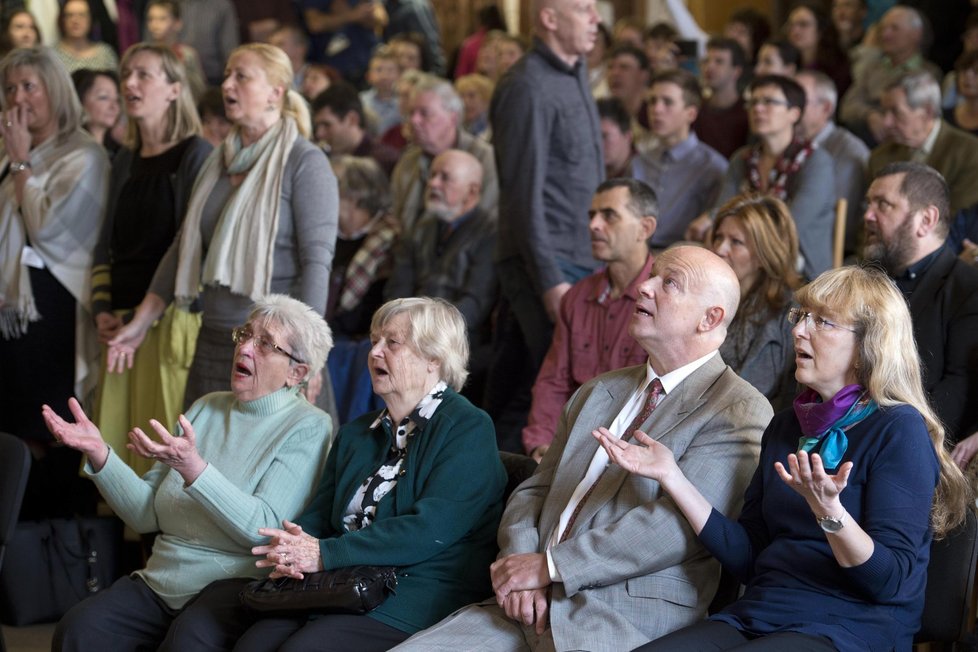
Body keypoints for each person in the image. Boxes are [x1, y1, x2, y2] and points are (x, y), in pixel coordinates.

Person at [394, 246, 773, 652]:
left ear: (710, 318)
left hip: (617, 619)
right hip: (522, 605)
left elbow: (678, 528)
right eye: (652, 276)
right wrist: (521, 566)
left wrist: (551, 567)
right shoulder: (598, 390)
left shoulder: (738, 407)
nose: (643, 286)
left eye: (669, 283)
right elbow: (535, 491)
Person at [603, 265, 972, 652]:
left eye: (823, 322)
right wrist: (672, 477)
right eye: (801, 317)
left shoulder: (898, 429)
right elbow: (750, 557)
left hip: (852, 626)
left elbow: (889, 581)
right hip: (761, 614)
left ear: (868, 348)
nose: (798, 330)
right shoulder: (784, 427)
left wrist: (830, 512)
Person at [165, 297, 507, 652]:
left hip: (417, 591)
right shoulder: (358, 433)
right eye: (374, 341)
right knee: (254, 643)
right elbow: (321, 512)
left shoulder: (467, 428)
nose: (374, 352)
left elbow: (429, 530)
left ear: (434, 359)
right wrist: (294, 547)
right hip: (345, 583)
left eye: (392, 343)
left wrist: (324, 554)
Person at [43, 294, 334, 652]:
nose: (244, 348)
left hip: (235, 587)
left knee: (186, 642)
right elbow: (145, 515)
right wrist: (100, 453)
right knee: (79, 630)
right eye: (244, 334)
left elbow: (264, 530)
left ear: (297, 372)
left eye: (264, 344)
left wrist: (194, 469)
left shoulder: (309, 426)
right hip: (161, 581)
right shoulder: (207, 406)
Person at [108, 43, 338, 409]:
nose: (227, 85)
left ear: (275, 93)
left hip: (276, 350)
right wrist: (141, 321)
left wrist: (305, 355)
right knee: (197, 459)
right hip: (216, 337)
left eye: (241, 77)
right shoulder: (218, 160)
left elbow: (317, 263)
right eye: (227, 74)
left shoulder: (304, 162)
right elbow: (185, 246)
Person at [90, 44, 212, 476]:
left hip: (168, 321)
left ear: (175, 89)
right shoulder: (125, 158)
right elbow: (106, 240)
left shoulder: (196, 154)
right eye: (126, 75)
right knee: (121, 456)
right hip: (122, 323)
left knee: (161, 456)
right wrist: (102, 308)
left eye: (143, 75)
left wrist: (143, 317)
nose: (129, 84)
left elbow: (190, 243)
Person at [486, 0, 603, 449]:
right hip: (545, 264)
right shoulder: (527, 85)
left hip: (576, 257)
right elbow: (521, 194)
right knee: (546, 391)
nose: (595, 19)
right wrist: (549, 279)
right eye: (583, 8)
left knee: (517, 387)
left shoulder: (574, 74)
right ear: (550, 18)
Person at [0, 46, 110, 518]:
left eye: (30, 86)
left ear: (55, 92)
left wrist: (22, 161)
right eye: (9, 88)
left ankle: (52, 544)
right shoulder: (11, 155)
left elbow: (48, 231)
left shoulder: (85, 154)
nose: (19, 97)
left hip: (54, 310)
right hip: (13, 312)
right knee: (11, 425)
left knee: (45, 431)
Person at [521, 178, 655, 461]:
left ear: (645, 228)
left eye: (609, 216)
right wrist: (541, 443)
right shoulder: (577, 297)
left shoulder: (664, 299)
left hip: (631, 454)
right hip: (569, 443)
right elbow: (553, 381)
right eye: (592, 215)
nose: (593, 225)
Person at [863, 162, 978, 446]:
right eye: (869, 203)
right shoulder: (862, 279)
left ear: (926, 220)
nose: (867, 215)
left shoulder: (967, 289)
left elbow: (957, 392)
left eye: (883, 204)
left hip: (908, 446)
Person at [691, 74, 835, 281]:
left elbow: (792, 225)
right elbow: (722, 211)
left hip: (800, 271)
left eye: (769, 102)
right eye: (753, 102)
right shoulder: (742, 158)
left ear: (794, 113)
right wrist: (708, 220)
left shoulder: (816, 161)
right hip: (742, 258)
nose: (757, 108)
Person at [711, 193, 800, 406]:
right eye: (719, 237)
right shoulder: (708, 296)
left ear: (763, 255)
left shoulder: (788, 312)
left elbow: (753, 394)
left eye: (736, 242)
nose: (719, 249)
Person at [391, 74, 497, 234]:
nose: (414, 120)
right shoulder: (408, 161)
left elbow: (483, 226)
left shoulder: (484, 159)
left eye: (424, 113)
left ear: (452, 117)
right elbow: (396, 220)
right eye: (411, 113)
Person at [638, 68, 727, 249]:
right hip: (633, 253)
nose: (656, 109)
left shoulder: (712, 167)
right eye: (652, 101)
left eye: (667, 102)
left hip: (683, 259)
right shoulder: (639, 161)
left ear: (691, 114)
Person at [868, 70, 978, 214]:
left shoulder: (970, 154)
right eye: (884, 112)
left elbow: (956, 221)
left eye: (896, 112)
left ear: (927, 112)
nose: (886, 122)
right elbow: (869, 218)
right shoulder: (880, 157)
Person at [839, 5, 941, 145]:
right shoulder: (872, 67)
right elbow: (847, 107)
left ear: (916, 34)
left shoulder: (928, 72)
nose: (885, 34)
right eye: (883, 28)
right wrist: (871, 115)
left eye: (894, 28)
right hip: (864, 136)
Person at [795, 69, 870, 256]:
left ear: (826, 108)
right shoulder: (790, 145)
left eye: (799, 100)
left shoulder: (849, 151)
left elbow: (840, 225)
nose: (791, 107)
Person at [325, 155, 398, 339]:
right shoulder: (324, 231)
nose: (320, 189)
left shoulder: (389, 241)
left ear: (356, 194)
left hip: (354, 340)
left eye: (331, 184)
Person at [694, 37, 749, 159]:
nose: (709, 67)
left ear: (736, 71)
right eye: (706, 61)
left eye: (719, 62)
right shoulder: (695, 108)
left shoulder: (748, 113)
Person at [785, 2, 851, 97]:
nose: (795, 30)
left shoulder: (838, 67)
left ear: (820, 30)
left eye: (803, 24)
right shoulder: (787, 63)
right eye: (791, 25)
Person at [53, 0, 118, 74]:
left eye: (82, 15)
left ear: (90, 19)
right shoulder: (52, 55)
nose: (75, 20)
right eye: (70, 15)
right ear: (63, 20)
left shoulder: (105, 54)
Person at [71, 67, 121, 155]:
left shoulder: (120, 154)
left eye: (117, 99)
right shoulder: (69, 154)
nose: (114, 106)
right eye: (104, 97)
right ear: (79, 101)